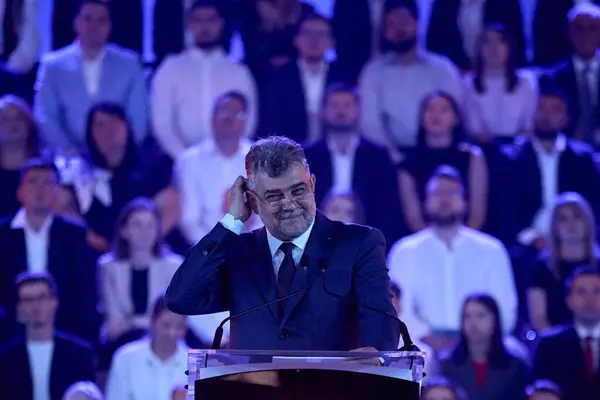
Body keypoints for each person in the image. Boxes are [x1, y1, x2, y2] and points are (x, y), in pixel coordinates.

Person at [165, 136, 400, 350]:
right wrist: (232, 222)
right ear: (253, 202)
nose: (289, 204)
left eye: (298, 191)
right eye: (274, 196)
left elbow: (381, 324)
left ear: (313, 185)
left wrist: (374, 358)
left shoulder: (358, 244)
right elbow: (181, 298)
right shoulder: (238, 252)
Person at [0, 272, 95, 400]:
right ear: (19, 308)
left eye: (42, 298)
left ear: (54, 302)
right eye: (28, 300)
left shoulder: (80, 354)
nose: (35, 306)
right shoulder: (6, 358)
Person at [528, 192, 599, 331]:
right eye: (563, 219)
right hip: (556, 346)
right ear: (554, 226)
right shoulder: (542, 267)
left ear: (588, 222)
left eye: (577, 217)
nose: (571, 225)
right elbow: (538, 317)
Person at [439, 294, 529, 400]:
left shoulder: (515, 366)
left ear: (495, 321)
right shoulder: (447, 363)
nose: (473, 323)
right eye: (467, 316)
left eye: (480, 315)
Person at [533, 266, 600, 400]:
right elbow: (540, 389)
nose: (589, 299)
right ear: (568, 300)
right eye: (581, 292)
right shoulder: (549, 345)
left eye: (597, 291)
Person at [105, 295, 188, 400]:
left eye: (179, 327)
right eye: (166, 325)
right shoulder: (125, 359)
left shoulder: (197, 363)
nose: (172, 333)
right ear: (153, 322)